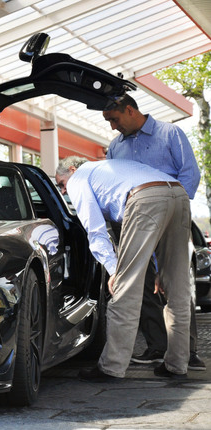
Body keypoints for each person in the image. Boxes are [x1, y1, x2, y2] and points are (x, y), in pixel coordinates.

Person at [55, 156, 191, 380]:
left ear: (72, 169)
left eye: (62, 184)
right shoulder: (111, 168)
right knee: (177, 289)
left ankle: (112, 367)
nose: (64, 192)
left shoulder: (79, 177)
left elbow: (95, 231)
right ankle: (177, 365)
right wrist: (159, 270)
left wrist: (113, 270)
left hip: (145, 197)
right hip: (178, 194)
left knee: (125, 291)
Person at [103, 94, 204, 371]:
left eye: (115, 119)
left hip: (172, 214)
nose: (113, 126)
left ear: (130, 110)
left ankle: (187, 351)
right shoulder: (115, 147)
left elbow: (189, 174)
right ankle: (158, 346)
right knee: (143, 283)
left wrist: (176, 210)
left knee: (175, 281)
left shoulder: (169, 133)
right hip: (136, 220)